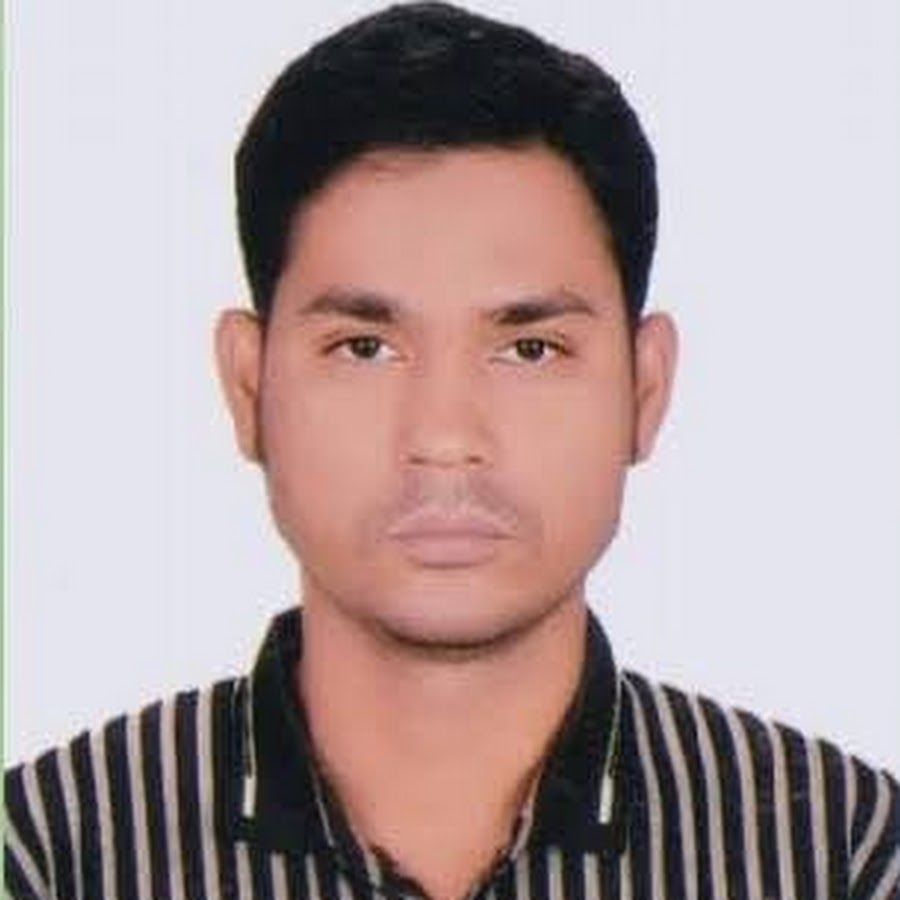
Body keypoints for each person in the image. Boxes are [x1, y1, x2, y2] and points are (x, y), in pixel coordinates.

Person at [5, 3, 898, 899]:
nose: (444, 437)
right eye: (365, 347)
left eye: (530, 349)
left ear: (644, 389)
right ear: (248, 387)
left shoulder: (837, 854)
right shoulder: (52, 855)